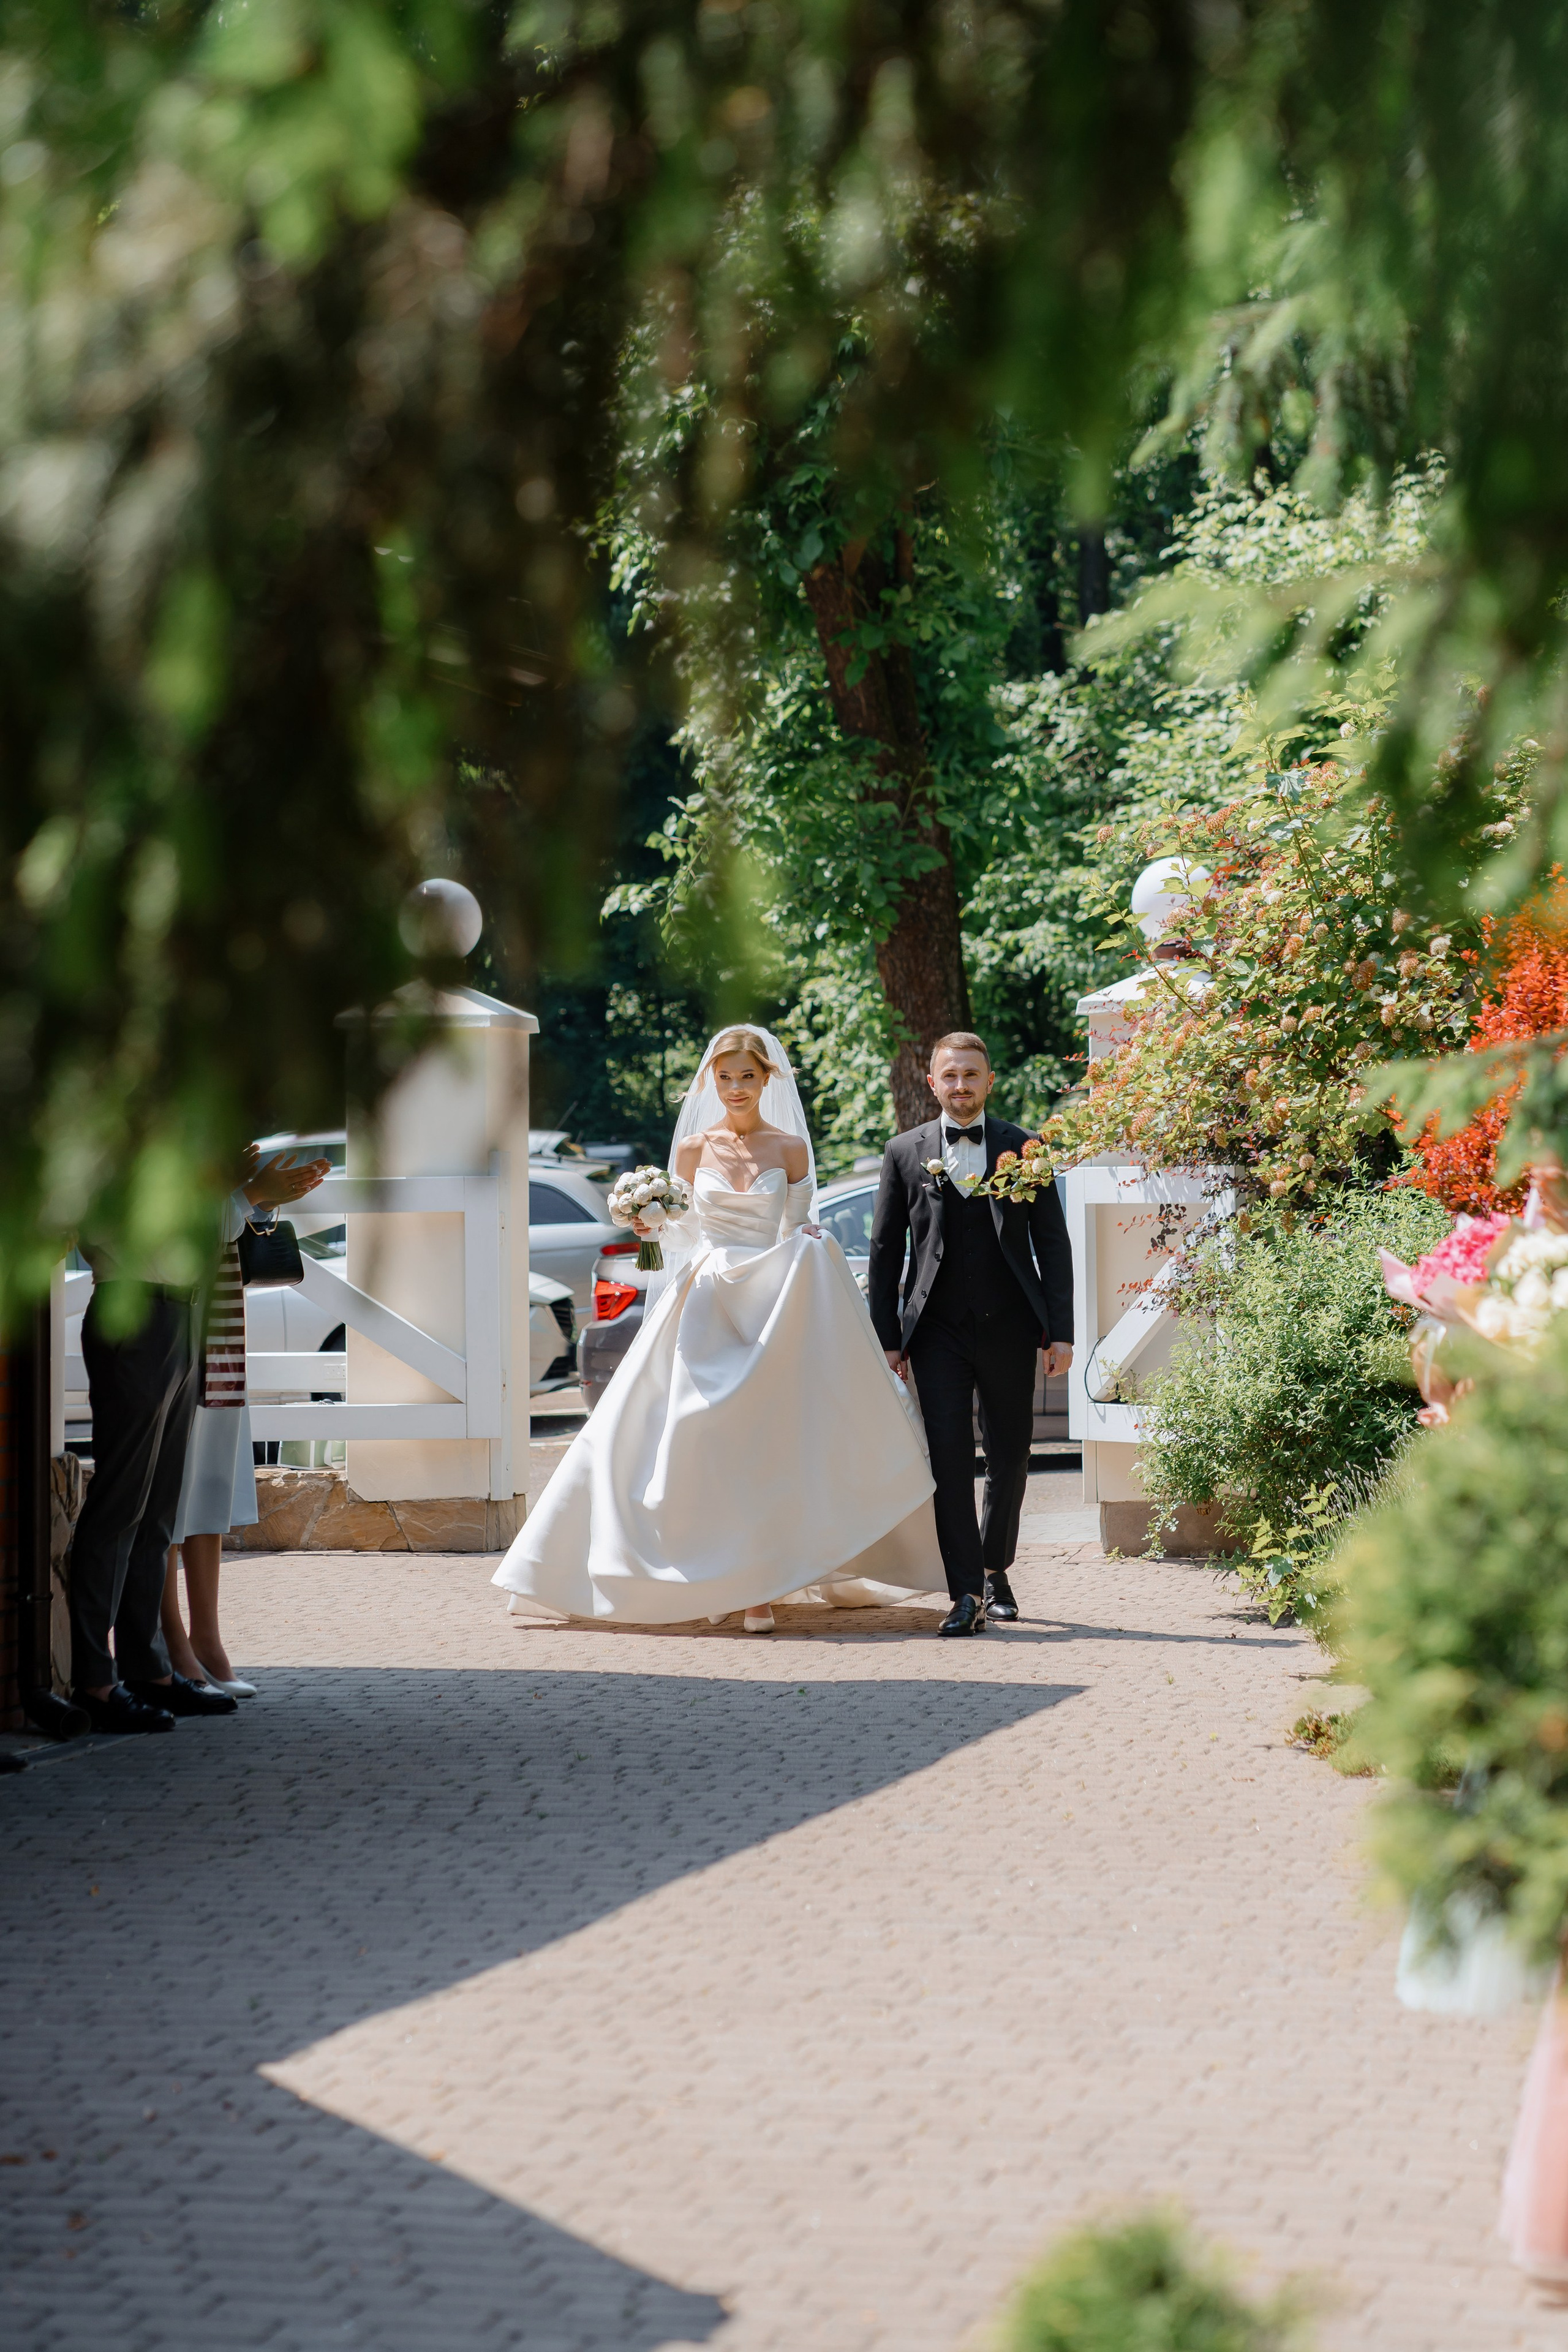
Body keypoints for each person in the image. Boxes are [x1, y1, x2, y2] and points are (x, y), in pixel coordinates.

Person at [492, 1027, 943, 1629]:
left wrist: (811, 1242)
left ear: (766, 1079)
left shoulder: (789, 1149)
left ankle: (761, 1582)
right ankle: (707, 1577)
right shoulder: (691, 1150)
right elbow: (682, 1234)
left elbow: (798, 1225)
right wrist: (651, 1225)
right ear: (711, 1081)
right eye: (725, 1077)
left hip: (771, 1304)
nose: (736, 1088)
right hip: (705, 1298)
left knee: (768, 1442)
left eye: (747, 1077)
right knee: (691, 1434)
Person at [69, 1145, 328, 1733]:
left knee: (158, 1509)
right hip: (137, 1310)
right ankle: (95, 1678)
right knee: (121, 1505)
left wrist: (234, 1186)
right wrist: (248, 1194)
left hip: (179, 1311)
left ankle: (147, 1670)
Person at [867, 1031, 1074, 1636]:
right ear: (932, 1084)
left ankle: (994, 1566)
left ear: (989, 1081)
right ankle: (965, 1594)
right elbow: (884, 1253)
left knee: (1010, 1456)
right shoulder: (903, 1152)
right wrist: (888, 1337)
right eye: (949, 1076)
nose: (960, 1086)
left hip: (1012, 1326)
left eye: (970, 1075)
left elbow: (1052, 1245)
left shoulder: (1024, 1147)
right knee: (950, 1462)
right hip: (934, 1333)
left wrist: (1059, 1331)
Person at [161, 1146, 328, 1694]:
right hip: (172, 1322)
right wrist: (252, 1193)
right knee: (169, 1493)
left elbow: (228, 1223)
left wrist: (262, 1196)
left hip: (218, 1329)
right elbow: (184, 1230)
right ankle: (171, 1642)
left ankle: (208, 1639)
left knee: (209, 1486)